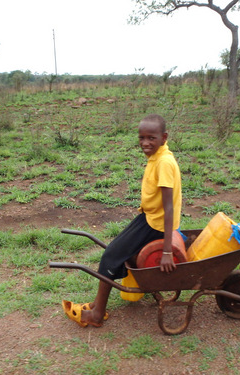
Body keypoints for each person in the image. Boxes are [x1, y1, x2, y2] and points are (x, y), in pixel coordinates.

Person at [62, 114, 182, 327]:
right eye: (141, 138)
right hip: (150, 217)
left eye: (151, 138)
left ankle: (97, 314)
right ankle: (99, 303)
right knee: (118, 252)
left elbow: (169, 206)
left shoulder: (164, 162)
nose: (145, 143)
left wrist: (166, 251)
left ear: (164, 137)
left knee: (110, 256)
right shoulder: (159, 156)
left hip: (156, 223)